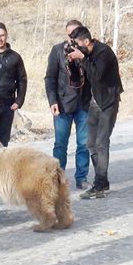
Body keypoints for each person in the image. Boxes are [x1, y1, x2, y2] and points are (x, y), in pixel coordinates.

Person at [67, 26, 124, 199]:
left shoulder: (103, 52)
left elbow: (97, 75)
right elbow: (79, 79)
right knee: (90, 143)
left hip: (109, 101)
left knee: (101, 143)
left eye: (77, 45)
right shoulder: (86, 54)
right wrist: (72, 62)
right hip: (94, 101)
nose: (75, 48)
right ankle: (103, 180)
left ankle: (99, 184)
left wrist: (82, 58)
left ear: (86, 42)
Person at [44, 20, 91, 190]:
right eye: (70, 33)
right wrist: (53, 101)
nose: (72, 36)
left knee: (84, 143)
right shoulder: (57, 50)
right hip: (63, 104)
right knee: (60, 144)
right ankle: (58, 179)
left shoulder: (87, 50)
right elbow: (49, 78)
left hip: (84, 104)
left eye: (76, 33)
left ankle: (82, 178)